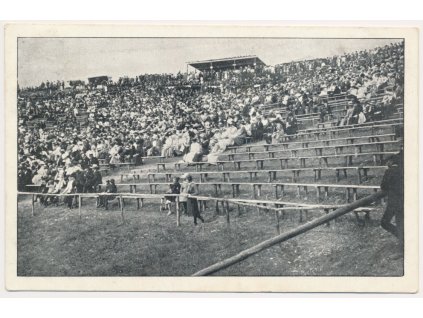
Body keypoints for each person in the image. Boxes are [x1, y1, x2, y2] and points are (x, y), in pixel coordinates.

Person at [380, 155, 404, 245]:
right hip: (403, 201)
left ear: (390, 162)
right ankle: (403, 238)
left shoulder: (389, 171)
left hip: (394, 202)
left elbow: (383, 186)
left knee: (384, 222)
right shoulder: (403, 170)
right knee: (401, 223)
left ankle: (402, 238)